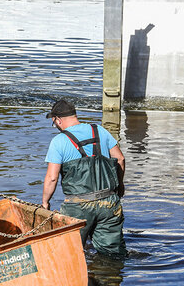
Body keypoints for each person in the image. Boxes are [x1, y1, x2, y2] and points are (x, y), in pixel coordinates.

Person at [41, 99, 127, 257]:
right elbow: (120, 159)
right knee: (113, 254)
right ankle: (111, 278)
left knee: (69, 252)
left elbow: (52, 178)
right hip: (109, 202)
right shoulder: (99, 130)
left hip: (78, 206)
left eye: (54, 123)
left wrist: (45, 202)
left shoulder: (58, 141)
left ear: (58, 120)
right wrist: (119, 186)